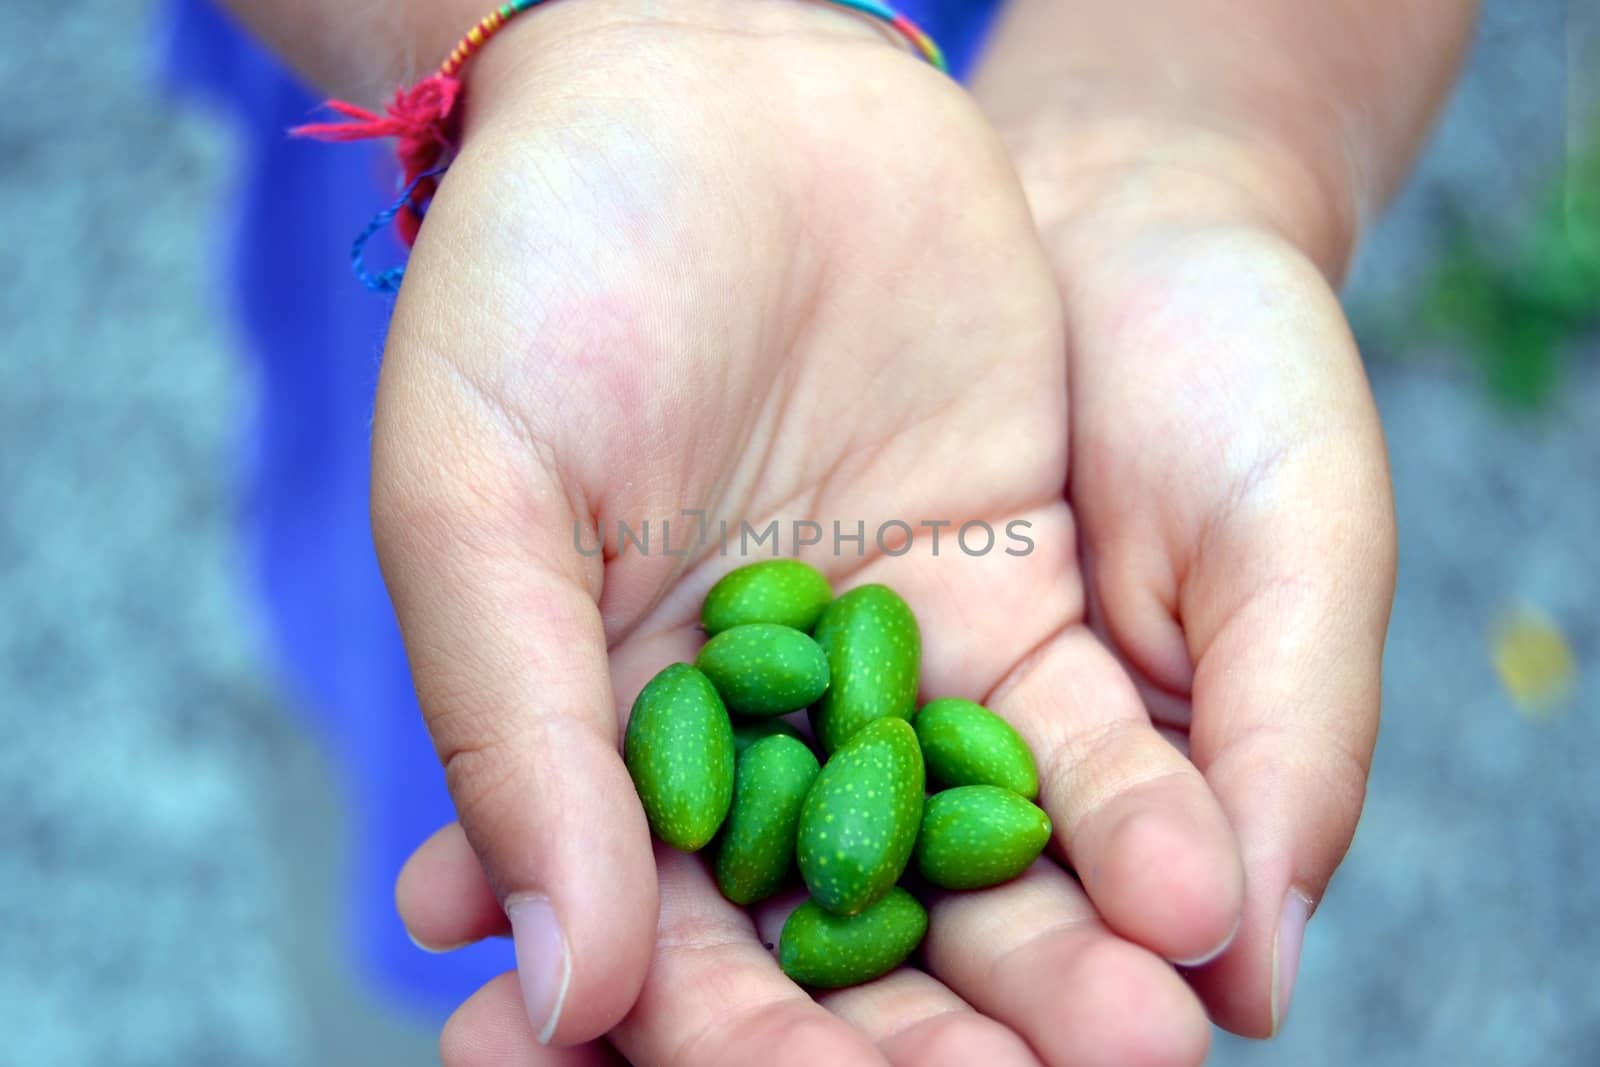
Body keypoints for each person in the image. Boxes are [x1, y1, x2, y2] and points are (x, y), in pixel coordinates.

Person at [177, 0, 1477, 1062]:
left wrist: (1177, 142)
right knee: (433, 743)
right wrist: (568, 40)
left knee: (533, 872)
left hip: (988, 202)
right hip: (572, 293)